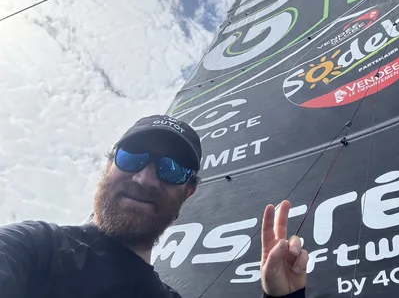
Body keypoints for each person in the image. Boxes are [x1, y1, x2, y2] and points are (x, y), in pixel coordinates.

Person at [0, 115, 309, 298]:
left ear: (187, 192)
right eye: (132, 157)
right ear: (108, 165)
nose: (145, 178)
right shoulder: (36, 246)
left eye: (170, 169)